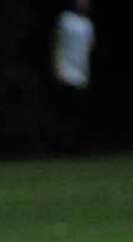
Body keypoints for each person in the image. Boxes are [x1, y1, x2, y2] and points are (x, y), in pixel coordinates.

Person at [50, 0, 95, 152]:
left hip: (82, 75)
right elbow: (57, 43)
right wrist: (58, 68)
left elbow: (88, 50)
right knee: (65, 112)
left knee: (79, 113)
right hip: (66, 72)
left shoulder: (88, 24)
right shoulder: (66, 19)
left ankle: (77, 147)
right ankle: (61, 147)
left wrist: (87, 73)